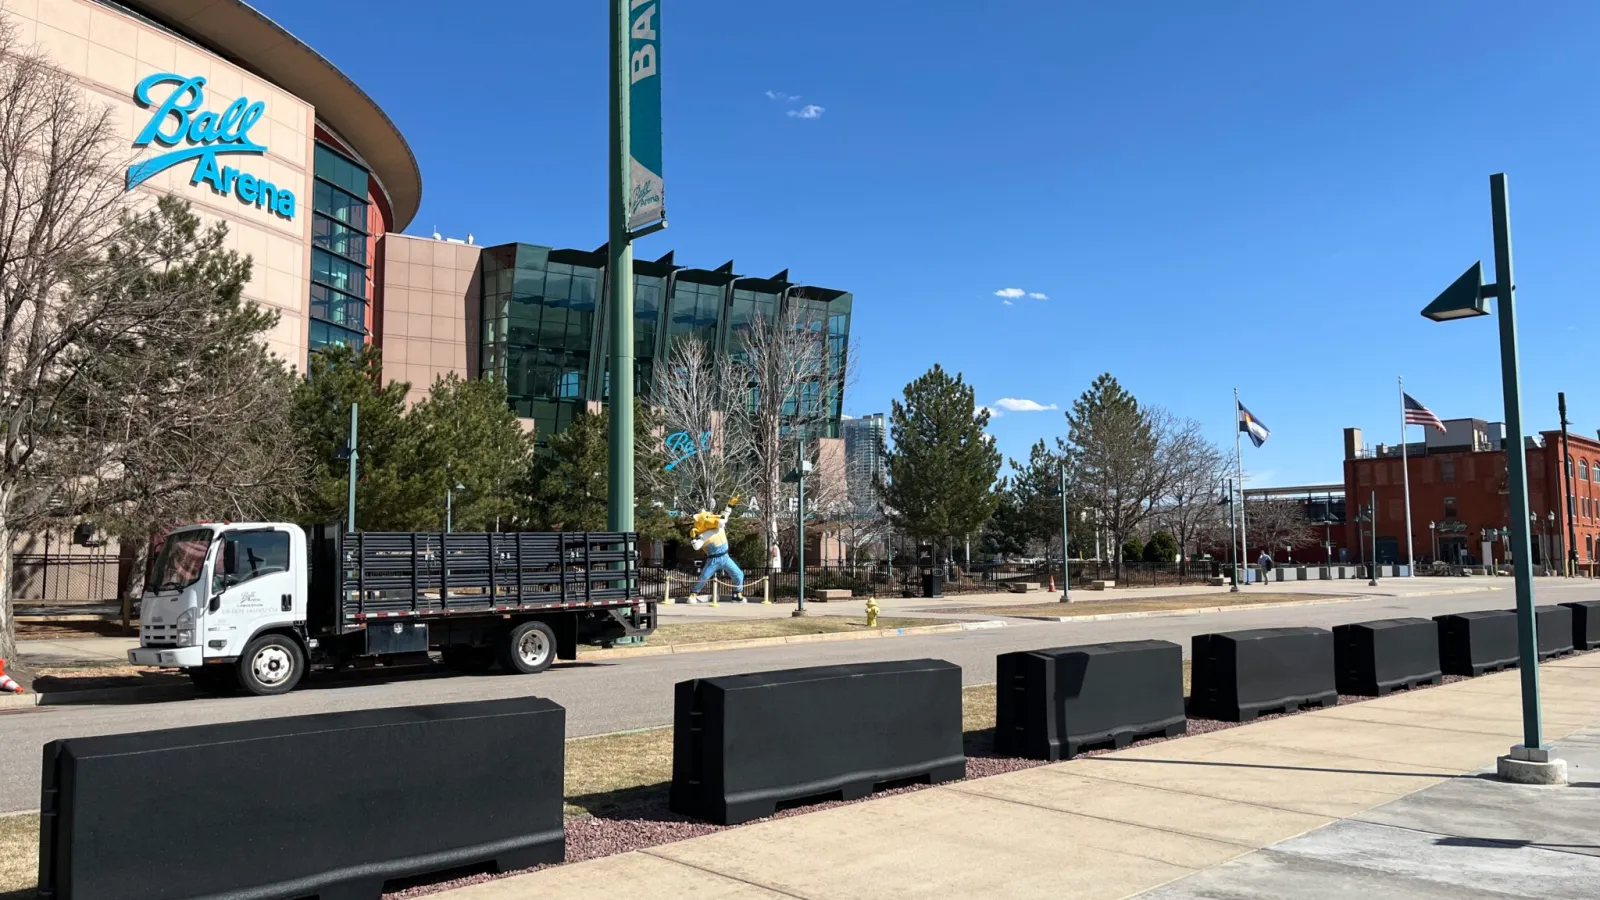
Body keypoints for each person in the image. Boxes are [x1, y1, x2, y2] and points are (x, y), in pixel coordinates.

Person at [689, 496, 745, 603]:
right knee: (704, 577)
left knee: (738, 574)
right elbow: (696, 546)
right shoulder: (703, 534)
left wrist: (730, 505)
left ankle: (737, 594)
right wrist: (693, 537)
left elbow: (725, 516)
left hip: (725, 557)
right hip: (713, 559)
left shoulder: (719, 526)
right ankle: (693, 593)